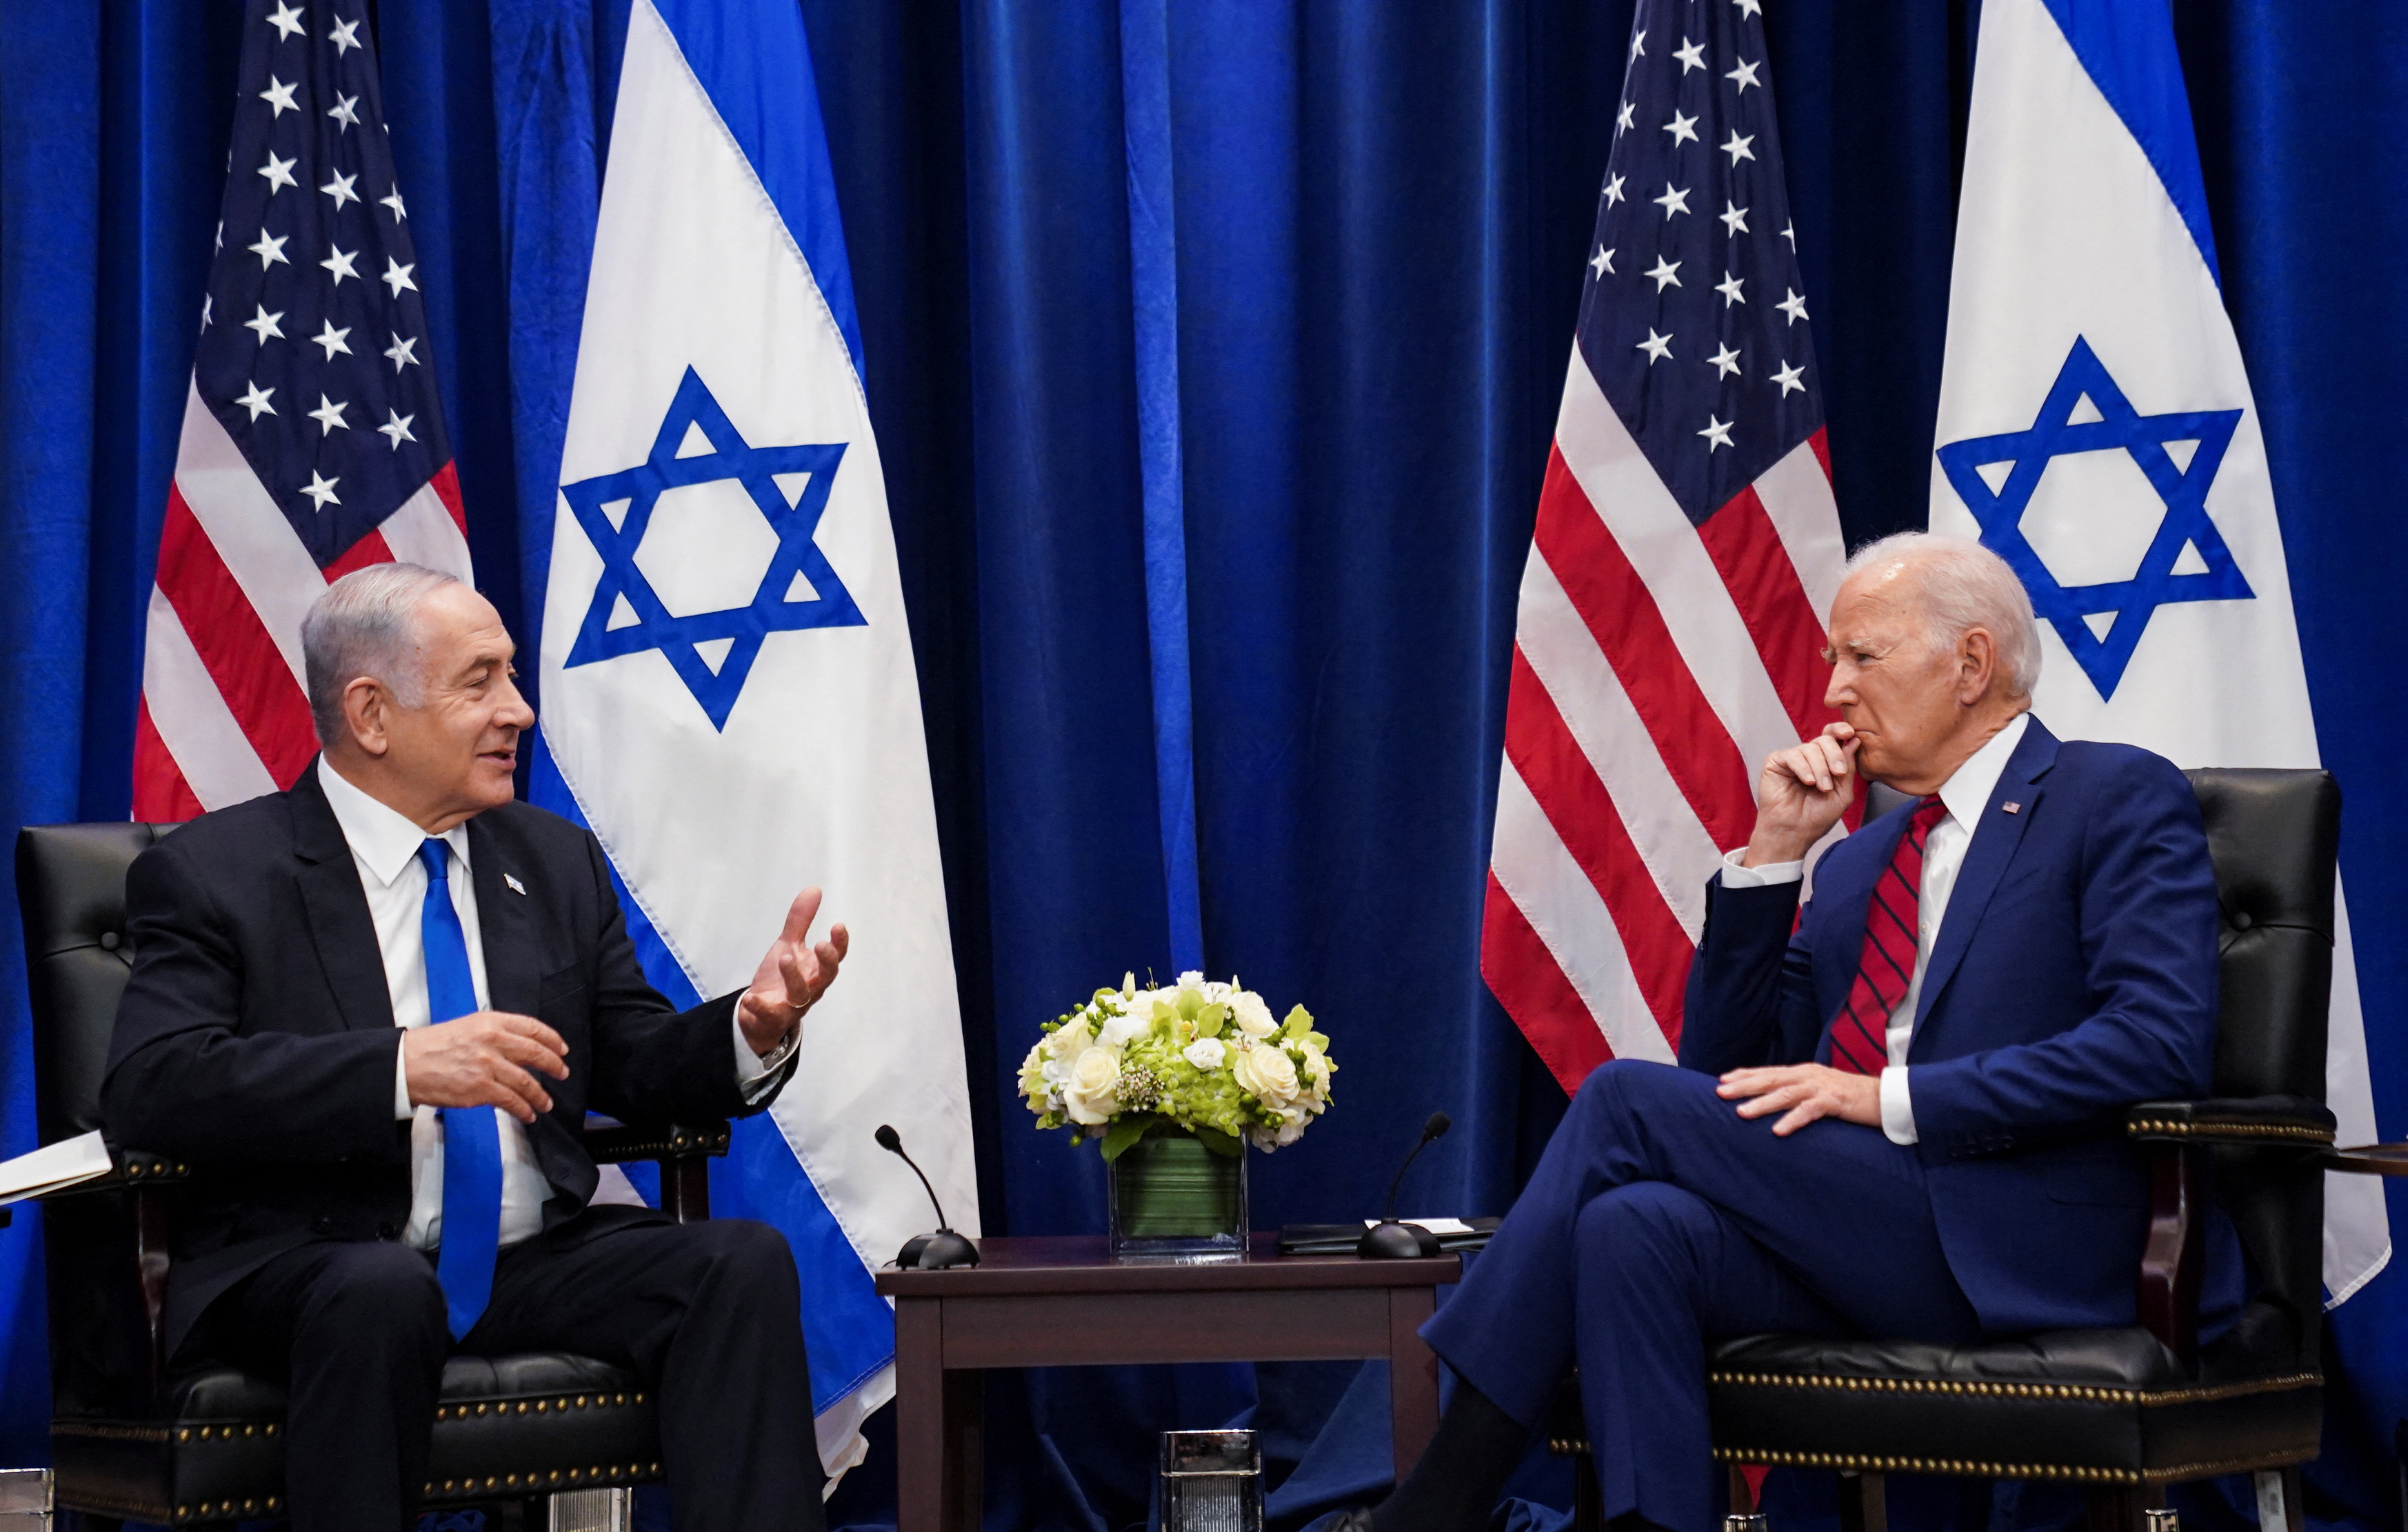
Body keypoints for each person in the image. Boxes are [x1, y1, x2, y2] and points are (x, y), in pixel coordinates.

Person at [1347, 533, 2240, 1532]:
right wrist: (1772, 856)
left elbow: (2156, 1043)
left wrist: (1889, 1098)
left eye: (1864, 656)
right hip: (1861, 1230)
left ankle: (1434, 1504)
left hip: (2018, 1234)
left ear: (1972, 664)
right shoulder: (1858, 864)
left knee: (1621, 1098)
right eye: (1832, 663)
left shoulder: (2112, 795)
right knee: (1630, 1226)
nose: (1835, 693)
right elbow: (1725, 1076)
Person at [103, 562, 845, 1532]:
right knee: (381, 1290)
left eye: (512, 676)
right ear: (371, 713)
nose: (521, 710)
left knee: (737, 1262)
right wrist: (399, 1067)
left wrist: (749, 1028)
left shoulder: (550, 860)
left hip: (525, 1255)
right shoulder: (215, 873)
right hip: (313, 1256)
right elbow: (154, 1085)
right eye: (481, 680)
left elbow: (629, 1056)